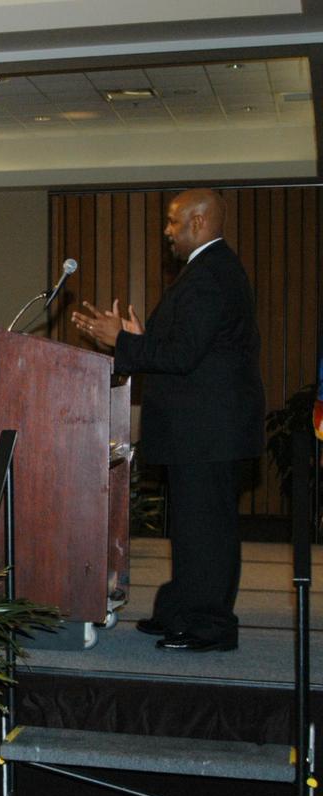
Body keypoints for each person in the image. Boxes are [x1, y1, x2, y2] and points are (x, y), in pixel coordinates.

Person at [73, 188, 264, 653]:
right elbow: (185, 347)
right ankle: (180, 610)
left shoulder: (208, 276)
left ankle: (209, 626)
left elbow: (182, 355)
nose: (166, 232)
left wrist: (123, 341)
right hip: (202, 430)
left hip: (207, 432)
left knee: (206, 531)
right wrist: (139, 338)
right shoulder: (208, 272)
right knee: (193, 529)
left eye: (173, 222)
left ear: (199, 222)